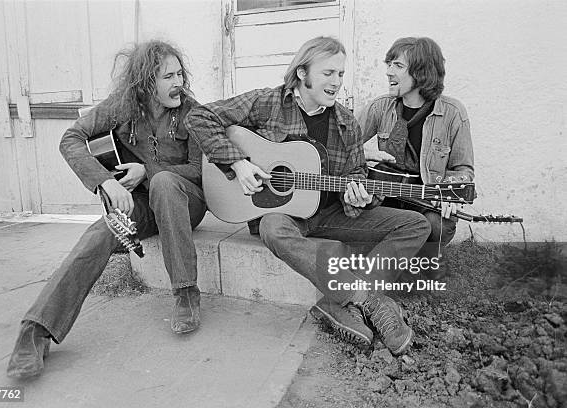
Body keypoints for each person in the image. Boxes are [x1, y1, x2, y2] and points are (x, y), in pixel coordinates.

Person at [184, 37, 431, 355]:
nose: (337, 82)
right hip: (286, 214)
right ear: (302, 73)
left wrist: (356, 195)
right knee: (273, 228)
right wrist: (237, 162)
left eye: (341, 74)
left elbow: (355, 174)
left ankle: (342, 300)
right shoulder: (268, 102)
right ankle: (366, 300)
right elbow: (200, 118)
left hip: (330, 213)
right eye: (329, 72)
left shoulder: (346, 124)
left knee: (416, 225)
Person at [7, 40, 206, 379]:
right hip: (142, 207)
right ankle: (36, 329)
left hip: (186, 202)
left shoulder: (192, 112)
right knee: (102, 231)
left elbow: (200, 172)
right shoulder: (122, 107)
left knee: (163, 184)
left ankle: (186, 292)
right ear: (145, 82)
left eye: (179, 74)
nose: (178, 83)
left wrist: (150, 171)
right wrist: (105, 182)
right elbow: (70, 138)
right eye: (167, 77)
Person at [359, 37, 474, 272]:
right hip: (386, 198)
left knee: (436, 225)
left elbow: (463, 170)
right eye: (389, 64)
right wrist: (366, 153)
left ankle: (421, 267)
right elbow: (342, 148)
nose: (389, 72)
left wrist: (449, 195)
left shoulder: (453, 113)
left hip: (424, 202)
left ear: (421, 73)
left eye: (398, 66)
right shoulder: (381, 107)